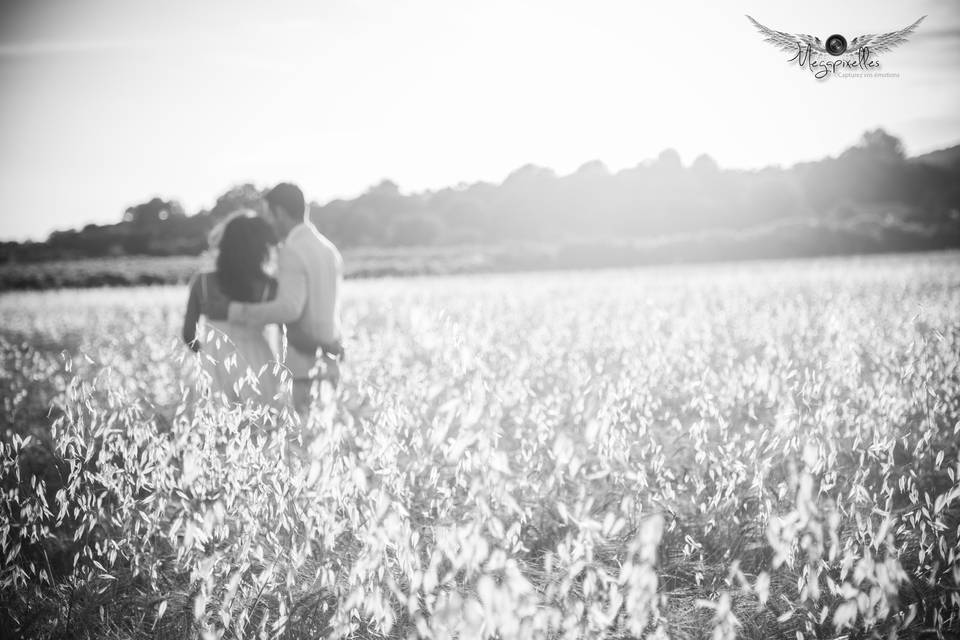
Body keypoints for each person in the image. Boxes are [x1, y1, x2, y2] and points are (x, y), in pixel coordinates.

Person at [206, 183, 344, 414]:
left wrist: (235, 311)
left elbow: (290, 309)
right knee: (324, 441)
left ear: (279, 212)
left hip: (302, 367)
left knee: (302, 442)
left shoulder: (292, 249)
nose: (269, 221)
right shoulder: (329, 249)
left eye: (270, 213)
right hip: (330, 362)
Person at [182, 210, 281, 404]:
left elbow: (188, 334)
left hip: (214, 362)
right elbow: (284, 330)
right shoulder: (269, 286)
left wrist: (209, 354)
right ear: (261, 248)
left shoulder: (202, 282)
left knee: (216, 428)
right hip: (258, 361)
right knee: (260, 429)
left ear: (225, 243)